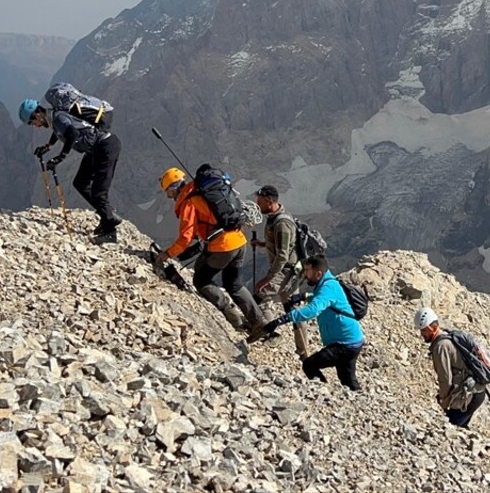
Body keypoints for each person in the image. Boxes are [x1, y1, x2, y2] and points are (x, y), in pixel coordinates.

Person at [156, 167, 266, 336]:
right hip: (239, 241)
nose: (167, 196)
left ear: (173, 187)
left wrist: (167, 254)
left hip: (222, 247)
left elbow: (186, 237)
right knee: (234, 284)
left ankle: (234, 318)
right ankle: (259, 323)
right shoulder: (203, 192)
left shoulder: (189, 201)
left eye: (167, 191)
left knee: (201, 280)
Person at [19, 97, 122, 243]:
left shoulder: (58, 117)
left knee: (99, 192)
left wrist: (61, 157)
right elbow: (59, 131)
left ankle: (110, 232)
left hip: (106, 147)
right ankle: (108, 216)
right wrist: (48, 147)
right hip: (96, 149)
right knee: (80, 182)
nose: (35, 126)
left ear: (37, 115)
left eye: (32, 122)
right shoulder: (55, 117)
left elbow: (72, 133)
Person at [258, 255, 364, 391]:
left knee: (309, 365)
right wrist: (303, 296)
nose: (305, 274)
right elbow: (323, 298)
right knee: (347, 379)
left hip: (344, 344)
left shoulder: (328, 287)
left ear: (318, 273)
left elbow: (314, 309)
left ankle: (323, 392)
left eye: (307, 270)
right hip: (352, 340)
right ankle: (356, 399)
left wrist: (282, 319)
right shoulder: (329, 283)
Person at [250, 185, 310, 356]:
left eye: (260, 202)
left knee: (259, 296)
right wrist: (263, 244)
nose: (258, 205)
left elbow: (283, 255)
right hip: (289, 272)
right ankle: (303, 352)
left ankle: (271, 333)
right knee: (293, 311)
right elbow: (282, 245)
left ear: (269, 201)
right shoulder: (275, 218)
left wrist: (268, 278)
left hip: (285, 272)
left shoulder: (282, 223)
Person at [415, 307, 488, 428]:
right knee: (460, 429)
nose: (422, 334)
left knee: (451, 428)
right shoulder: (448, 336)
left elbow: (445, 378)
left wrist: (444, 402)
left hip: (468, 396)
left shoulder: (440, 346)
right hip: (477, 391)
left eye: (424, 331)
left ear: (433, 328)